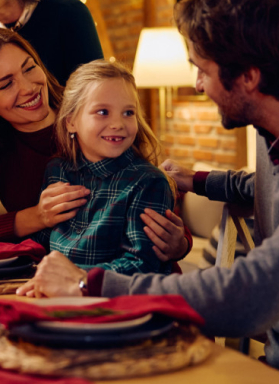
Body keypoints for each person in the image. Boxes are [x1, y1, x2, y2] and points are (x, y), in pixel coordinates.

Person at [18, 0, 279, 373]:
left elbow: (252, 294)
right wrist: (193, 180)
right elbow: (258, 185)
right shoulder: (275, 140)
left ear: (247, 76)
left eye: (202, 70)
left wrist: (88, 285)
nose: (197, 86)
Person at [0, 27, 186, 266]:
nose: (29, 87)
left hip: (124, 280)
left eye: (29, 68)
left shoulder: (95, 112)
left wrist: (182, 242)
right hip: (59, 280)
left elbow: (143, 190)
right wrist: (37, 217)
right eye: (6, 84)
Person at [31, 59, 175, 275]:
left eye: (128, 113)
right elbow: (43, 241)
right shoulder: (57, 170)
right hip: (58, 296)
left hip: (118, 302)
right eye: (102, 112)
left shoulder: (148, 182)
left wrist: (76, 277)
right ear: (71, 122)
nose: (118, 124)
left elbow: (142, 264)